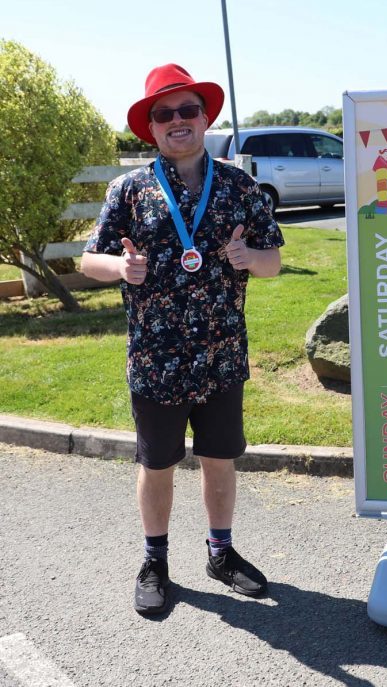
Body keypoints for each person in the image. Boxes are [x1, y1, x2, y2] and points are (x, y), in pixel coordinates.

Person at [81, 64, 284, 615]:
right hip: (156, 358)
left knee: (219, 458)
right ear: (151, 128)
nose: (177, 121)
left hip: (220, 355)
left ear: (205, 117)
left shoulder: (239, 186)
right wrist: (120, 270)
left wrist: (250, 259)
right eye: (164, 113)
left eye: (187, 110)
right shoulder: (129, 189)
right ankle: (155, 561)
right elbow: (88, 258)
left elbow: (273, 262)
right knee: (157, 463)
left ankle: (221, 553)